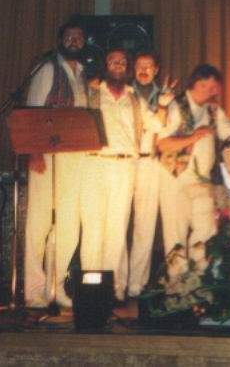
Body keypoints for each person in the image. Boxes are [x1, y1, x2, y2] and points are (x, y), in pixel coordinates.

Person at [80, 48, 171, 302]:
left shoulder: (135, 99)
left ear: (126, 67)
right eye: (113, 61)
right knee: (93, 228)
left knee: (117, 228)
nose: (118, 65)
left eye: (122, 62)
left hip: (125, 167)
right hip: (94, 164)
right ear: (106, 65)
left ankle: (114, 288)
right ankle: (90, 289)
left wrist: (163, 105)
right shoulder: (91, 93)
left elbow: (157, 124)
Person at [157, 63, 230, 278]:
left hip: (202, 179)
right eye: (206, 86)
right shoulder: (175, 106)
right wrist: (193, 136)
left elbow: (229, 132)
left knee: (207, 228)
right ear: (194, 84)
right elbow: (163, 144)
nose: (210, 92)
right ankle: (177, 283)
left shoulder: (213, 110)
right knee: (175, 233)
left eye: (214, 88)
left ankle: (199, 278)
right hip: (175, 178)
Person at [24, 20, 88, 309]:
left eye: (79, 37)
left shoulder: (83, 74)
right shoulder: (48, 69)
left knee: (69, 225)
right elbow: (32, 111)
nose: (74, 41)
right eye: (69, 36)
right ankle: (33, 289)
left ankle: (56, 287)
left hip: (74, 158)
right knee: (39, 221)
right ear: (60, 40)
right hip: (47, 155)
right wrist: (35, 152)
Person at [127, 52, 178, 298]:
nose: (143, 70)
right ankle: (114, 284)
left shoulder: (167, 96)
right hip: (123, 163)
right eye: (139, 65)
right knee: (116, 226)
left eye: (148, 66)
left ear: (156, 69)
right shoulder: (124, 93)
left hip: (150, 163)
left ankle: (136, 285)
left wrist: (164, 106)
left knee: (144, 227)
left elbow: (169, 131)